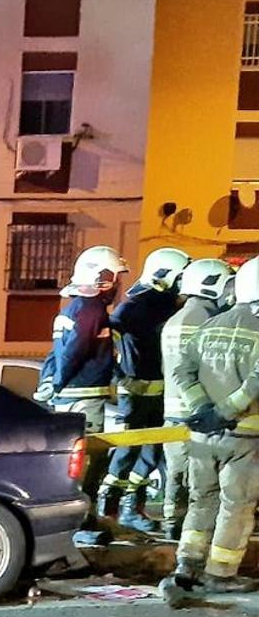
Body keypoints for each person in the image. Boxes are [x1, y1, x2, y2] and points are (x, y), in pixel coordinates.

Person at [170, 256, 259, 593]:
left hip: (202, 434)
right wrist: (223, 411)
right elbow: (255, 383)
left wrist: (202, 408)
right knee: (236, 505)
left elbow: (182, 370)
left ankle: (186, 565)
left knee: (201, 500)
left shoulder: (212, 324)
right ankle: (221, 573)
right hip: (245, 435)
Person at [34, 246, 130, 527]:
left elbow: (57, 353)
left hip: (71, 394)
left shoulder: (72, 308)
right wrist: (60, 380)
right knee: (88, 459)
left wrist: (50, 381)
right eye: (115, 277)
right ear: (102, 278)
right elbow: (74, 351)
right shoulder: (92, 310)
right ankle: (80, 519)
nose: (118, 285)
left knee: (71, 458)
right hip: (85, 396)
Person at [97, 247, 191, 532]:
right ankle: (106, 511)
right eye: (178, 278)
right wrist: (118, 375)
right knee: (125, 453)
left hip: (159, 394)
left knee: (151, 454)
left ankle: (131, 508)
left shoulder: (171, 307)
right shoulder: (131, 308)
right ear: (164, 276)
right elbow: (105, 341)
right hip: (133, 395)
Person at [160, 258, 235, 541]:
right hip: (199, 411)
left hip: (173, 409)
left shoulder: (175, 319)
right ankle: (192, 535)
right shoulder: (205, 320)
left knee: (175, 474)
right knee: (199, 482)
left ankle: (171, 524)